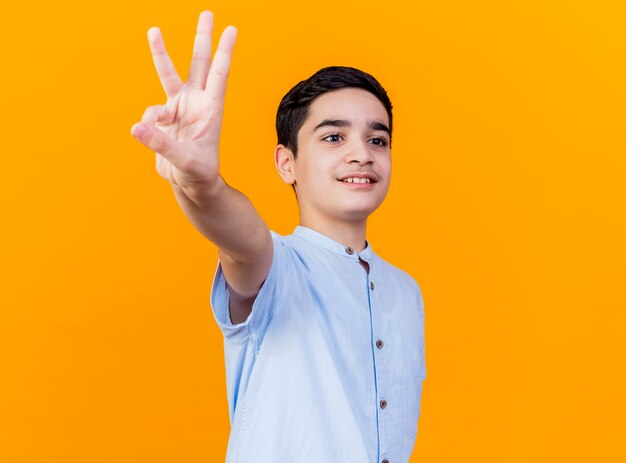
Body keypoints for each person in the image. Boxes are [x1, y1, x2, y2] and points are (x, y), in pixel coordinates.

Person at [131, 10, 426, 463]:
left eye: (377, 140)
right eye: (333, 138)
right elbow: (240, 237)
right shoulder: (278, 267)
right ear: (286, 162)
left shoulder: (407, 293)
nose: (360, 154)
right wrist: (201, 182)